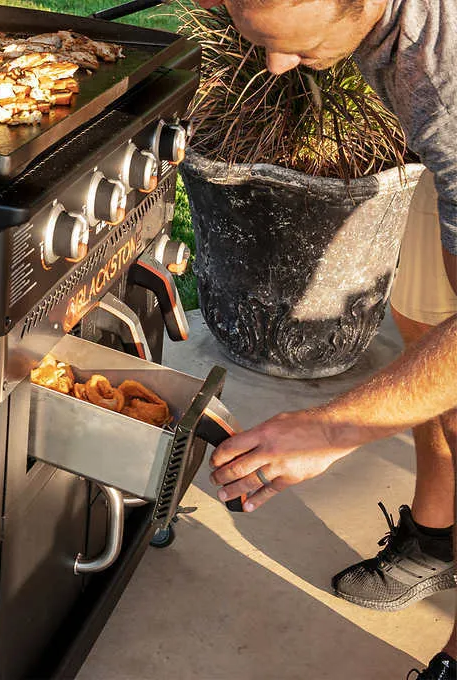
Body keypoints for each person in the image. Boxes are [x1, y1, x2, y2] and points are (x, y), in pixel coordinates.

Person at [194, 0, 457, 676]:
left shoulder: (444, 77)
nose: (276, 64)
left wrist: (334, 427)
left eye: (294, 46)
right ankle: (438, 537)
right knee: (427, 332)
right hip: (440, 156)